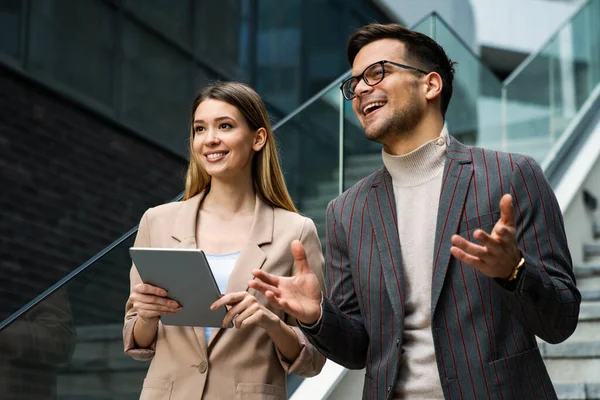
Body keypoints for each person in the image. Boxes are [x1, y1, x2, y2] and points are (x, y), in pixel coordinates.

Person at [249, 23, 581, 399]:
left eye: (377, 72)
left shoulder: (511, 175)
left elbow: (562, 321)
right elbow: (358, 350)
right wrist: (317, 316)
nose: (359, 89)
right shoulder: (347, 211)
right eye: (354, 83)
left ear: (430, 85)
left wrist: (515, 271)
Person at [123, 81, 326, 399]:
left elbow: (313, 359)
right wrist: (147, 315)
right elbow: (136, 340)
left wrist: (271, 322)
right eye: (199, 129)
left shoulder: (295, 232)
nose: (210, 139)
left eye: (225, 126)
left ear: (258, 138)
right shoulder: (157, 221)